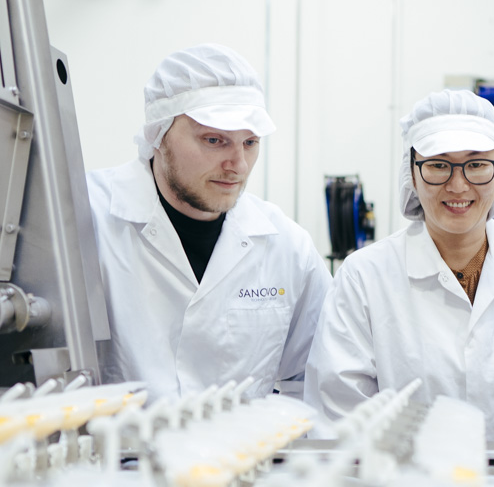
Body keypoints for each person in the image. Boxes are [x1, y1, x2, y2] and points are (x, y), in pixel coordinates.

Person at [305, 90, 494, 439]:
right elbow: (339, 421)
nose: (458, 185)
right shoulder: (364, 277)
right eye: (438, 165)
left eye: (477, 164)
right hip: (403, 475)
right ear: (412, 172)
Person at [86, 44, 330, 402]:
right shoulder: (84, 215)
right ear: (158, 134)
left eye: (250, 142)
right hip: (115, 439)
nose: (239, 165)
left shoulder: (288, 247)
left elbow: (315, 380)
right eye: (214, 140)